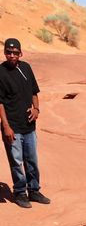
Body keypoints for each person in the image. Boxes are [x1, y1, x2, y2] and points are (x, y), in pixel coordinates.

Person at [0, 38, 50, 208]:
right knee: (16, 161)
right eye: (8, 52)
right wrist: (6, 126)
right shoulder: (1, 71)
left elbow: (34, 92)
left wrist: (36, 109)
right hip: (12, 126)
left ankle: (34, 190)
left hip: (29, 125)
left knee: (32, 160)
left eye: (15, 52)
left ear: (20, 53)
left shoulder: (26, 67)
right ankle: (20, 192)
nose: (12, 55)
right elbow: (0, 103)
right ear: (5, 52)